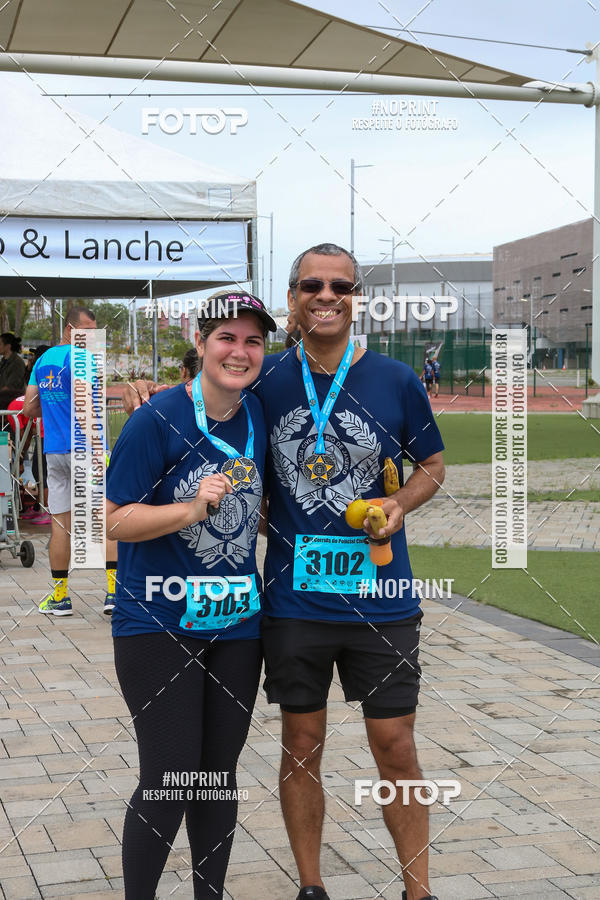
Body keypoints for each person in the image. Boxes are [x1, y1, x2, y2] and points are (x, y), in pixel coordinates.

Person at [123, 246, 444, 900]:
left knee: (396, 746)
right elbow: (214, 416)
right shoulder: (267, 379)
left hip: (382, 599)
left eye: (340, 285)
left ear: (356, 296)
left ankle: (419, 892)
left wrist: (398, 504)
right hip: (293, 603)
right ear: (293, 295)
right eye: (310, 284)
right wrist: (155, 404)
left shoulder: (396, 379)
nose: (325, 294)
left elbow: (432, 467)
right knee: (300, 742)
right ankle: (310, 887)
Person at [106, 291, 276, 900]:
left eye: (253, 340)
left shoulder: (259, 415)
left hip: (236, 624)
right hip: (158, 619)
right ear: (201, 345)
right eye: (227, 338)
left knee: (217, 776)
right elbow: (112, 520)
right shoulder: (157, 419)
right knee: (170, 776)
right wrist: (188, 510)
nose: (240, 350)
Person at [23, 307, 118, 616]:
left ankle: (60, 597)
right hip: (86, 450)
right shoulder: (83, 359)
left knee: (61, 524)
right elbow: (89, 403)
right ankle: (115, 595)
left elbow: (28, 408)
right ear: (70, 328)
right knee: (104, 521)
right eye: (86, 331)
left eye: (93, 332)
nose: (90, 338)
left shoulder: (43, 359)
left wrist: (54, 412)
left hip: (55, 451)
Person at [0, 332, 27, 409]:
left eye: (0, 344)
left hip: (12, 401)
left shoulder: (17, 363)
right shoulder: (3, 361)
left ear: (8, 346)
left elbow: (11, 386)